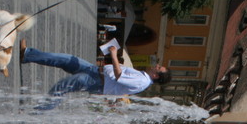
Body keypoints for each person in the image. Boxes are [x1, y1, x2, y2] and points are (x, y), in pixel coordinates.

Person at [19, 39, 170, 97]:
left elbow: (119, 76)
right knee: (65, 59)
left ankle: (36, 114)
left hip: (96, 82)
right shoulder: (142, 75)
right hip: (94, 71)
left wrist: (114, 55)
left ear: (156, 76)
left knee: (62, 87)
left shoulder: (142, 82)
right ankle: (27, 55)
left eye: (159, 68)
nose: (156, 66)